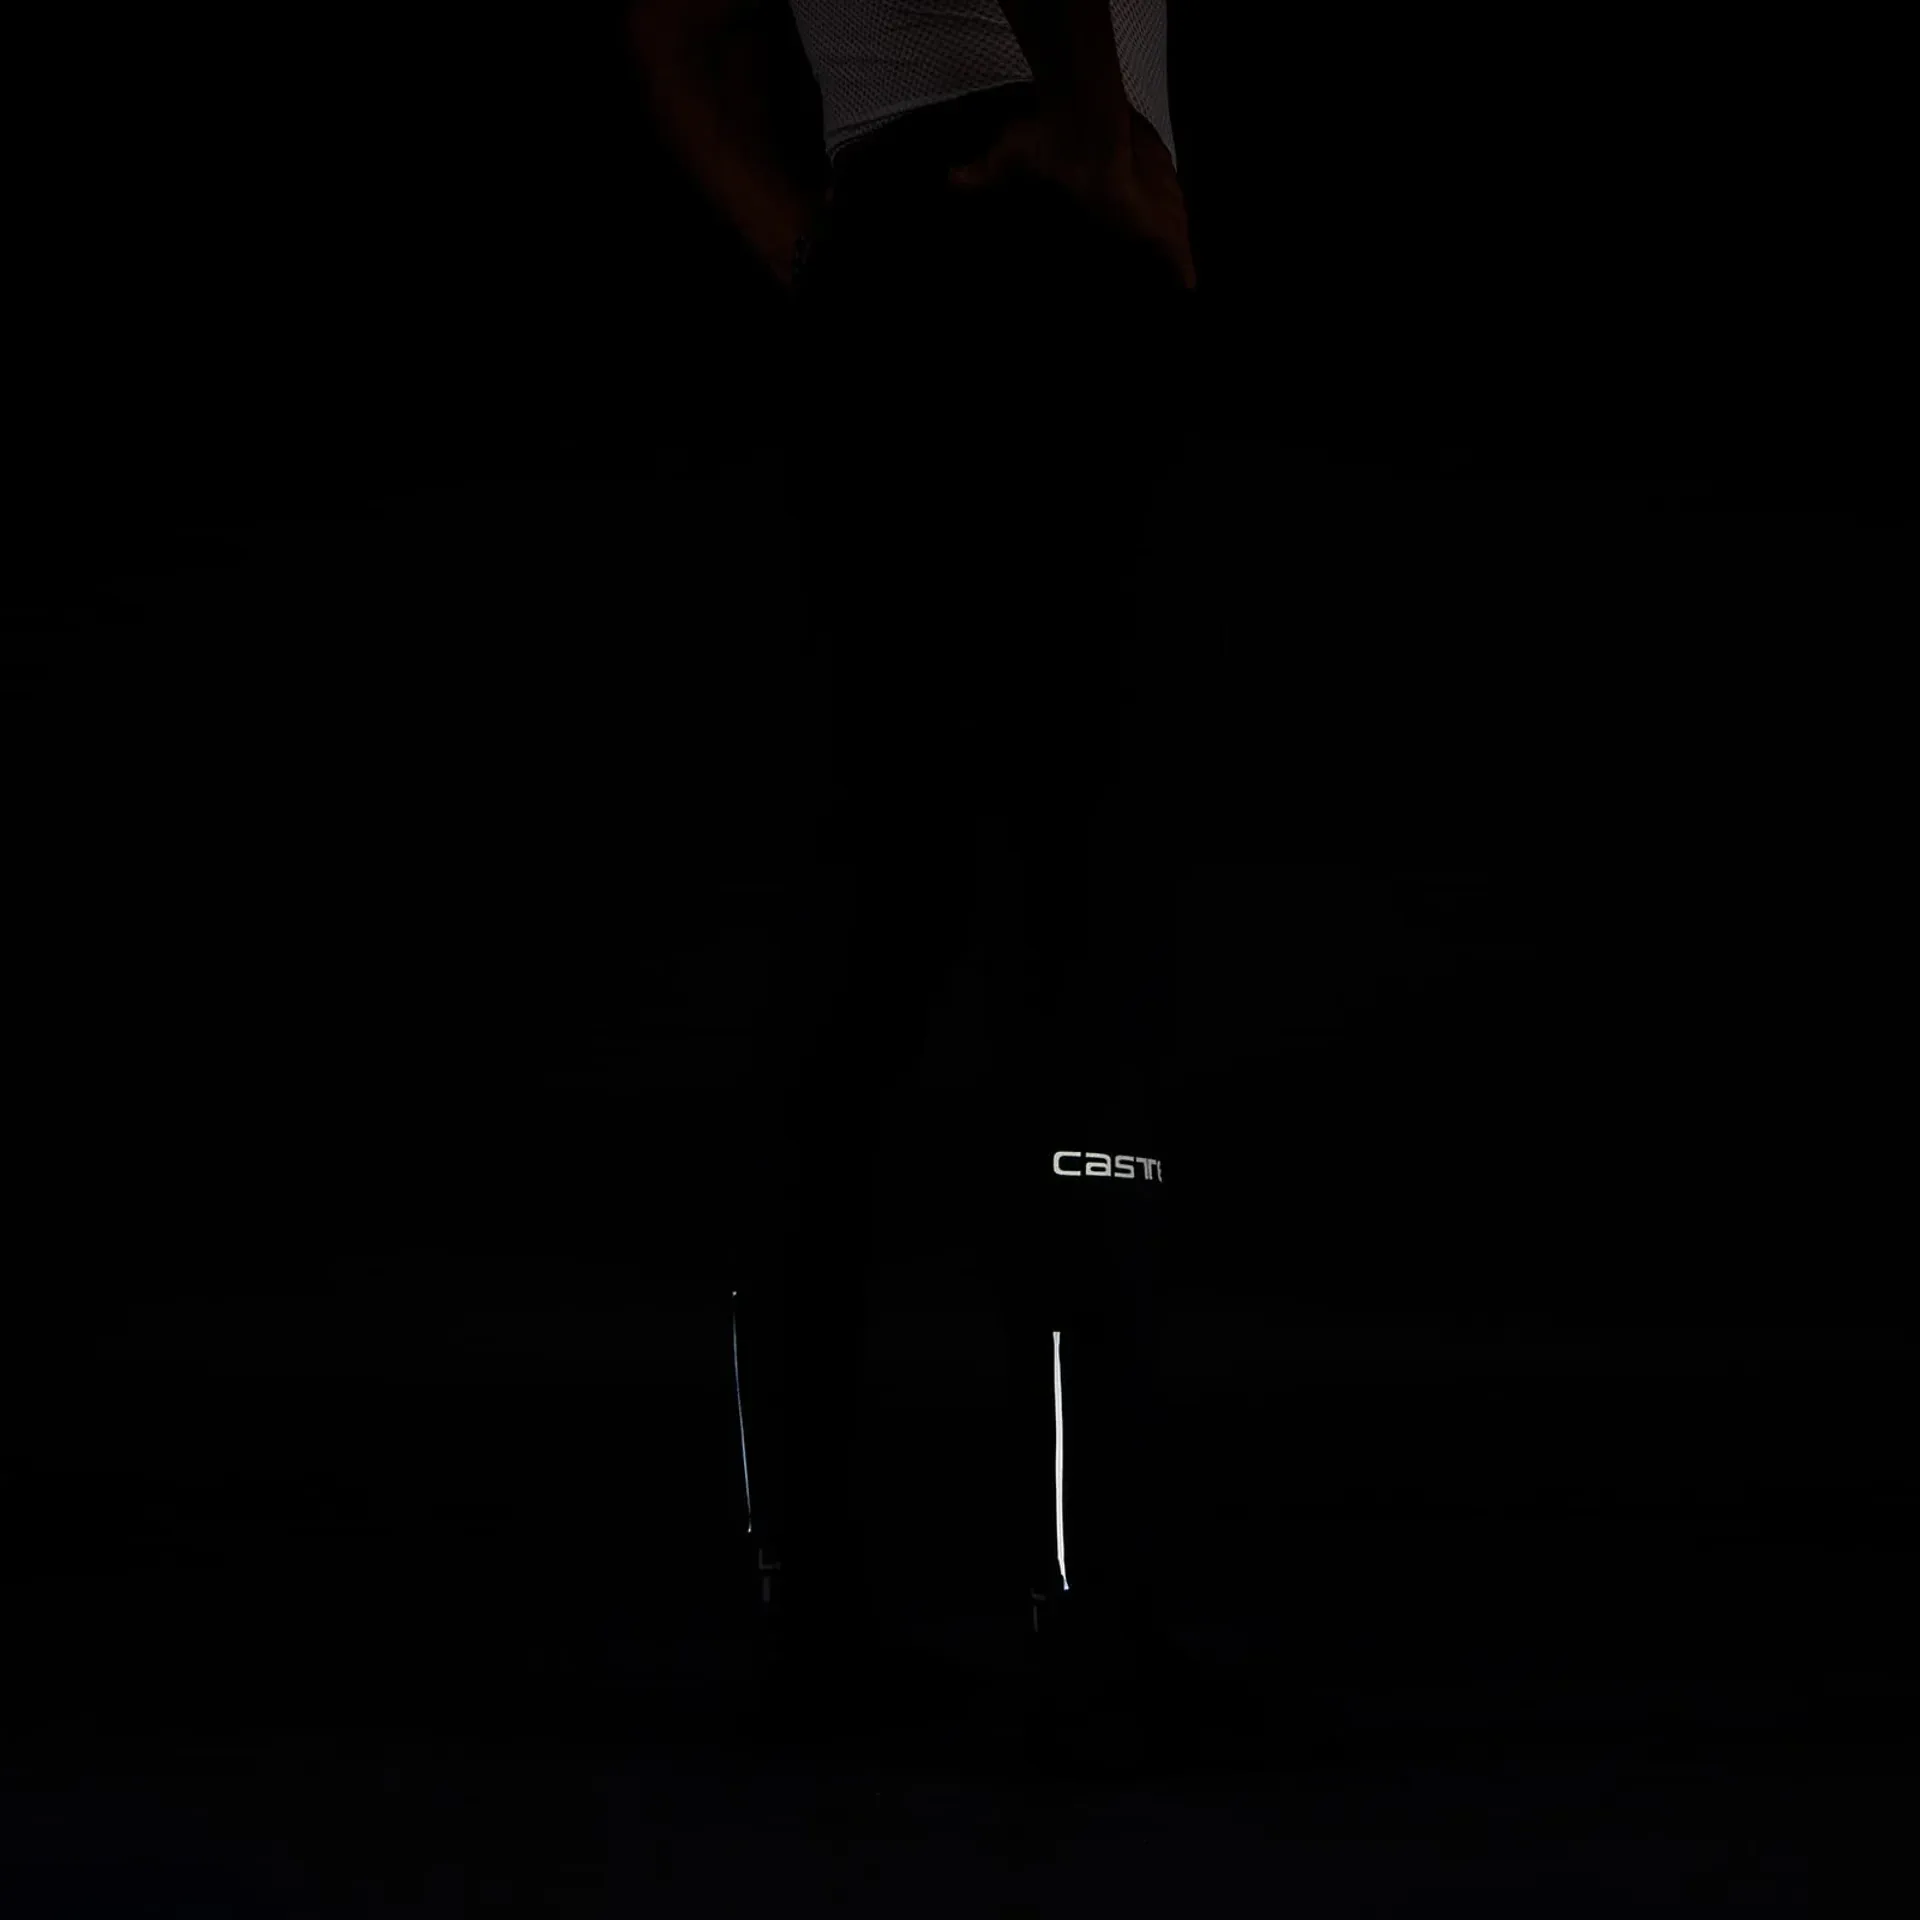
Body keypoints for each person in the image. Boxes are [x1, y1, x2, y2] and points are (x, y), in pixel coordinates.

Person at [629, 0, 1197, 1740]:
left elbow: (672, 22)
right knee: (1071, 911)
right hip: (1030, 206)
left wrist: (813, 252)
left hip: (880, 237)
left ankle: (810, 1616)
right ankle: (1091, 1626)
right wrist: (1094, 120)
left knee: (866, 918)